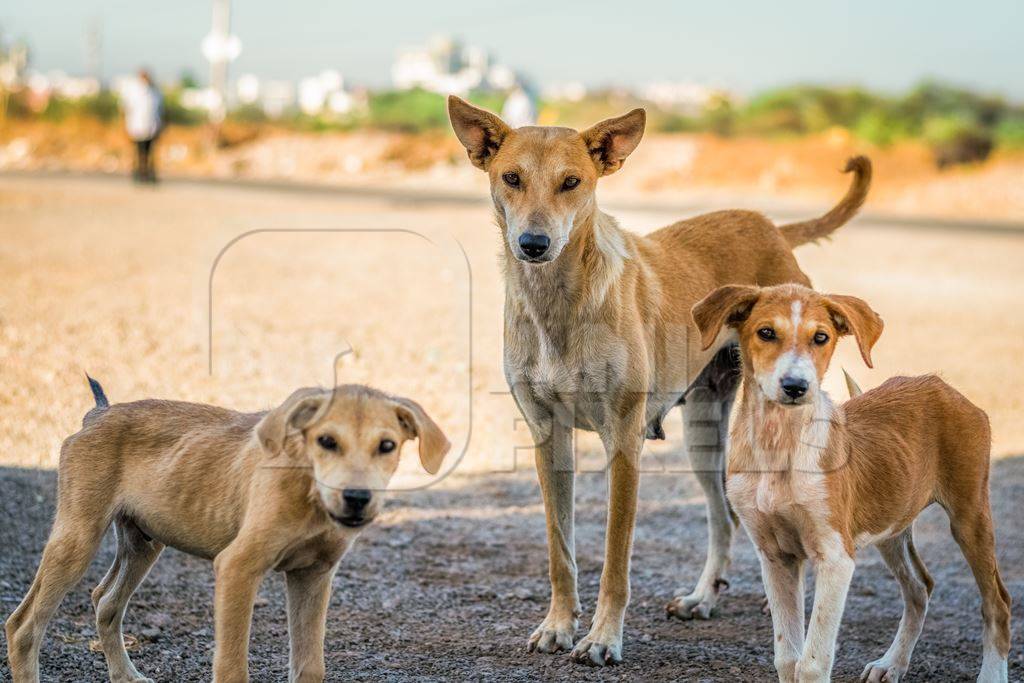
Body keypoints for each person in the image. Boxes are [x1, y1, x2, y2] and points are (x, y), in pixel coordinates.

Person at [122, 69, 163, 183]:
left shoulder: (155, 92)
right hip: (137, 127)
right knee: (139, 152)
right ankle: (139, 173)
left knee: (149, 152)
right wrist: (125, 126)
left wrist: (161, 126)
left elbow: (160, 110)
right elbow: (126, 109)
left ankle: (148, 174)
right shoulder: (133, 91)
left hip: (152, 127)